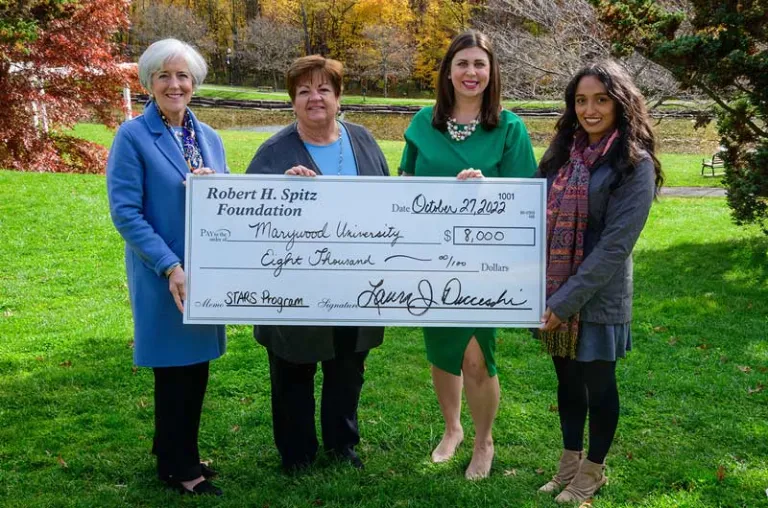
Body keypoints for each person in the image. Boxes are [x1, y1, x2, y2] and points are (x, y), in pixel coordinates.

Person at [398, 30, 537, 480]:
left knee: (477, 356)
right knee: (442, 351)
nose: (471, 72)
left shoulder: (509, 128)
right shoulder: (423, 124)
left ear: (491, 71)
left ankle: (484, 442)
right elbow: (403, 186)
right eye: (462, 64)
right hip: (430, 259)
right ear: (448, 71)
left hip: (484, 264)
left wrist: (487, 188)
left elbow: (526, 199)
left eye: (479, 64)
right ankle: (452, 428)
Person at [245, 55, 388, 472]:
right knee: (293, 365)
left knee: (347, 366)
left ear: (339, 97)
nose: (315, 98)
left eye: (324, 89)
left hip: (355, 281)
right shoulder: (274, 151)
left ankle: (342, 444)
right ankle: (297, 451)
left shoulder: (362, 140)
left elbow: (388, 204)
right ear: (292, 101)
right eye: (304, 91)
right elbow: (247, 219)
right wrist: (282, 195)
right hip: (294, 284)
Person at [535, 61, 663, 503]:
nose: (590, 109)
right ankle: (569, 463)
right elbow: (525, 210)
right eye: (581, 100)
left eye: (601, 100)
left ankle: (593, 472)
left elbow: (614, 247)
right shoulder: (560, 155)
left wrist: (566, 302)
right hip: (553, 293)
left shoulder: (634, 165)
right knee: (567, 382)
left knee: (598, 385)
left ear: (621, 103)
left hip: (599, 296)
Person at [106, 38, 227, 496]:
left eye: (183, 76)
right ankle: (181, 468)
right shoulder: (132, 136)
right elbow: (126, 212)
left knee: (196, 366)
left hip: (205, 273)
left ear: (194, 82)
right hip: (163, 273)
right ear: (148, 83)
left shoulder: (209, 137)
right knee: (175, 370)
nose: (174, 84)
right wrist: (169, 265)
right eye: (164, 76)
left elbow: (228, 203)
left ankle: (177, 449)